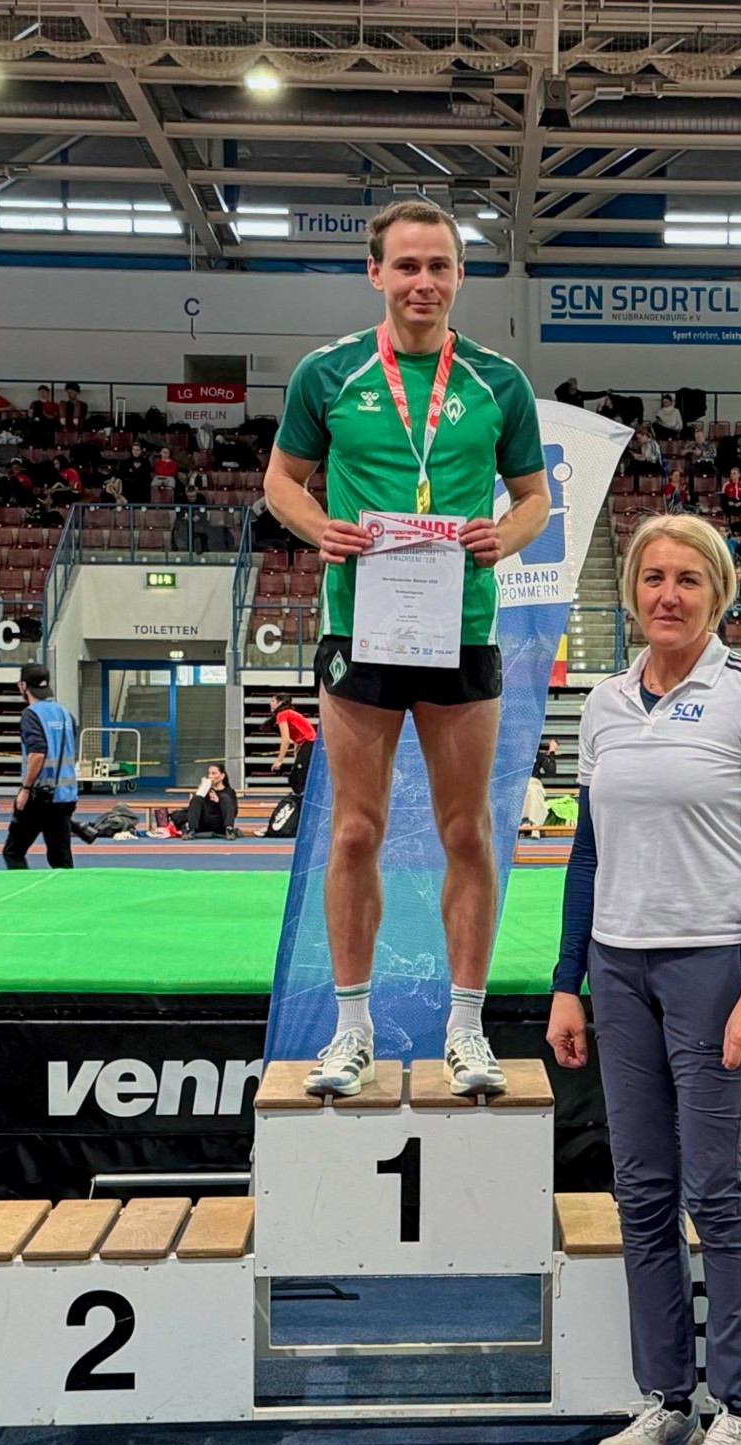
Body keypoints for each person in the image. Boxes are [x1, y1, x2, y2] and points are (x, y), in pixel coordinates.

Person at [264, 197, 548, 1099]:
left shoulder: (499, 383)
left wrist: (506, 536)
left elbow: (534, 498)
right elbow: (281, 482)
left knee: (468, 830)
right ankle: (351, 1032)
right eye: (407, 266)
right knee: (355, 830)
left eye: (439, 267)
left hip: (460, 627)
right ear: (376, 273)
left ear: (460, 276)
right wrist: (320, 528)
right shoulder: (327, 374)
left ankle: (466, 1029)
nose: (423, 282)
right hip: (362, 626)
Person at [547, 512, 741, 1445]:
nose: (667, 594)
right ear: (632, 592)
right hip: (618, 971)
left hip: (712, 970)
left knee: (716, 1192)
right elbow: (586, 855)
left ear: (718, 595)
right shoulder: (604, 704)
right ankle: (665, 1399)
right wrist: (566, 982)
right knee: (643, 1194)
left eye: (688, 579)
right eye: (653, 577)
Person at [2, 663, 78, 869]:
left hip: (40, 795)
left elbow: (37, 753)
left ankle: (23, 888)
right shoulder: (65, 714)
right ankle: (66, 890)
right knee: (61, 860)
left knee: (13, 852)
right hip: (65, 796)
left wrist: (25, 789)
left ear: (23, 686)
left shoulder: (31, 714)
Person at [153, 762, 241, 840]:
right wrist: (202, 791)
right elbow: (194, 807)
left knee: (225, 797)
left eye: (214, 773)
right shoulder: (207, 790)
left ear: (222, 776)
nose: (210, 776)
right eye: (209, 773)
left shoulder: (229, 791)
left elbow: (234, 812)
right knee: (197, 798)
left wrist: (219, 801)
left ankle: (229, 830)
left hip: (219, 822)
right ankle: (191, 830)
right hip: (204, 821)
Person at [268, 693, 317, 795]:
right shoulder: (289, 714)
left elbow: (285, 739)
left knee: (297, 779)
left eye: (273, 701)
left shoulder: (282, 714)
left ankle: (302, 801)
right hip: (308, 744)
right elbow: (297, 739)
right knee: (296, 778)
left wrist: (279, 761)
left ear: (280, 703)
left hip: (310, 743)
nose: (270, 703)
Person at [521, 737, 558, 838]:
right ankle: (531, 825)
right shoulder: (515, 757)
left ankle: (533, 825)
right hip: (520, 783)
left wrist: (551, 752)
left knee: (533, 791)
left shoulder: (538, 755)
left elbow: (551, 772)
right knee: (527, 791)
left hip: (534, 782)